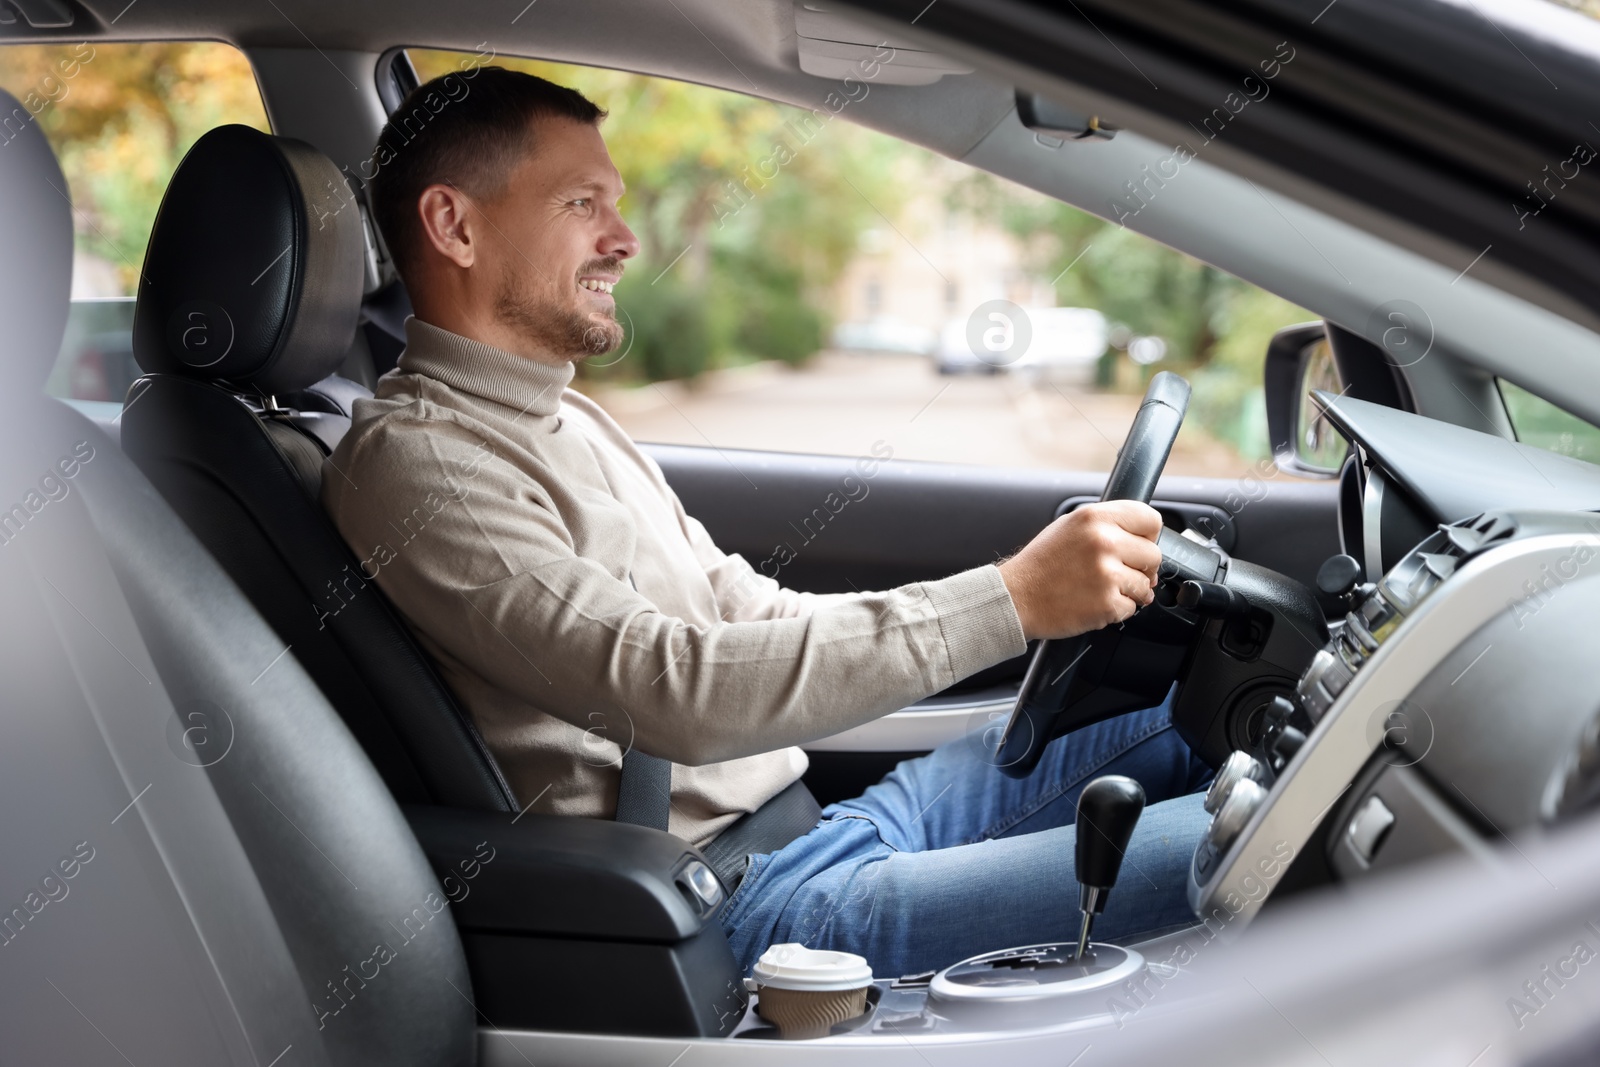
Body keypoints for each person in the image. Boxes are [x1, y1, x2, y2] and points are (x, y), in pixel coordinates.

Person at [323, 67, 1213, 980]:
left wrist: (1009, 602)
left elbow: (748, 609)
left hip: (818, 828)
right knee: (1256, 842)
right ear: (454, 225)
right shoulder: (422, 467)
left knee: (1206, 717)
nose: (625, 240)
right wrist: (1013, 599)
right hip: (752, 906)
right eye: (581, 203)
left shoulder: (568, 417)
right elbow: (670, 689)